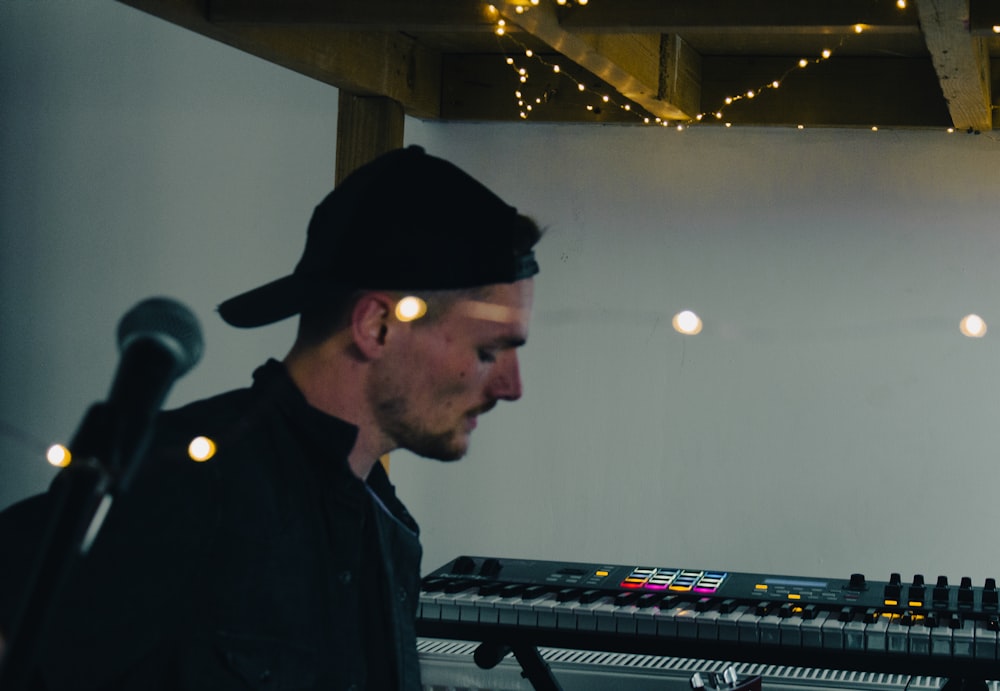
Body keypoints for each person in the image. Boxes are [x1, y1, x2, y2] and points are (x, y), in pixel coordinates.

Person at [0, 145, 542, 690]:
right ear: (377, 326)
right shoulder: (189, 482)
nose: (511, 386)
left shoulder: (386, 524)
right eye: (489, 351)